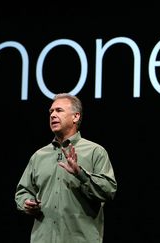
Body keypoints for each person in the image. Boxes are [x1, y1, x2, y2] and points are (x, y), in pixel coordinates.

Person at [15, 93, 117, 243]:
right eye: (51, 112)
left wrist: (80, 174)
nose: (53, 115)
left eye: (59, 110)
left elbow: (109, 190)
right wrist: (27, 203)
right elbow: (23, 191)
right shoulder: (39, 156)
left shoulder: (95, 151)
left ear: (75, 117)